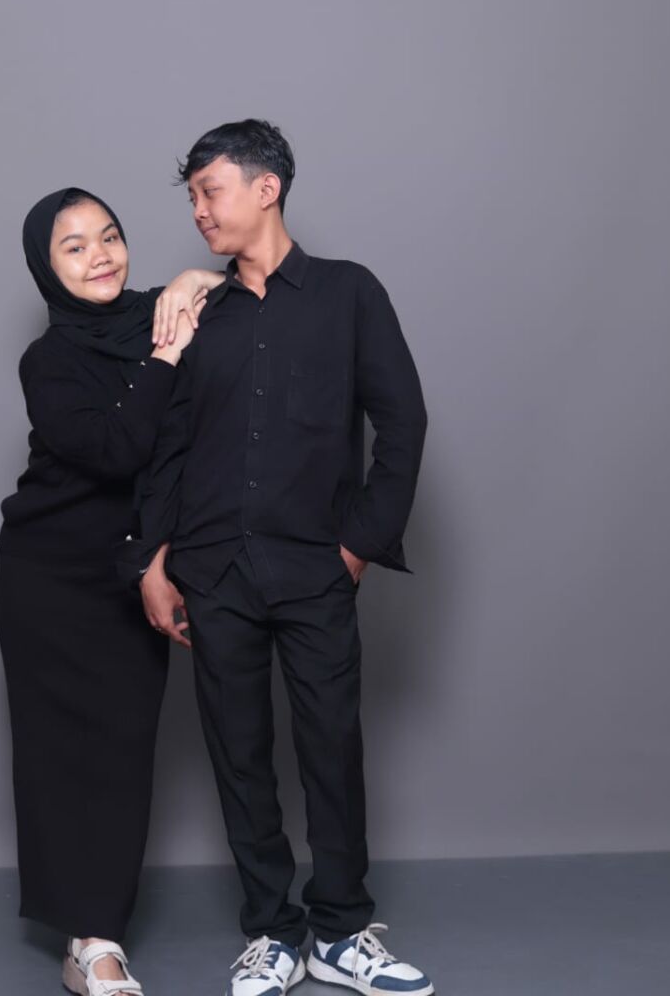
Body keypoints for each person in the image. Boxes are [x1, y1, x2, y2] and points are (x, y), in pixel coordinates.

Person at [135, 121, 434, 996]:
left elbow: (403, 423)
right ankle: (271, 931)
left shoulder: (349, 293)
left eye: (210, 191)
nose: (198, 211)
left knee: (331, 747)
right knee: (238, 753)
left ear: (265, 189)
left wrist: (358, 547)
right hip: (212, 571)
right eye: (191, 197)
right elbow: (167, 447)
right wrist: (153, 562)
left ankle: (340, 932)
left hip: (314, 569)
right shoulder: (198, 312)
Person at [0, 186, 222, 996]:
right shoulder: (48, 360)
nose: (100, 256)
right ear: (45, 267)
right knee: (58, 757)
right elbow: (118, 449)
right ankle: (89, 945)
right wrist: (165, 357)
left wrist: (190, 279)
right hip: (48, 575)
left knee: (123, 754)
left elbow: (241, 291)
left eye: (109, 237)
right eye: (75, 246)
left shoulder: (161, 313)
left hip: (135, 569)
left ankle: (102, 925)